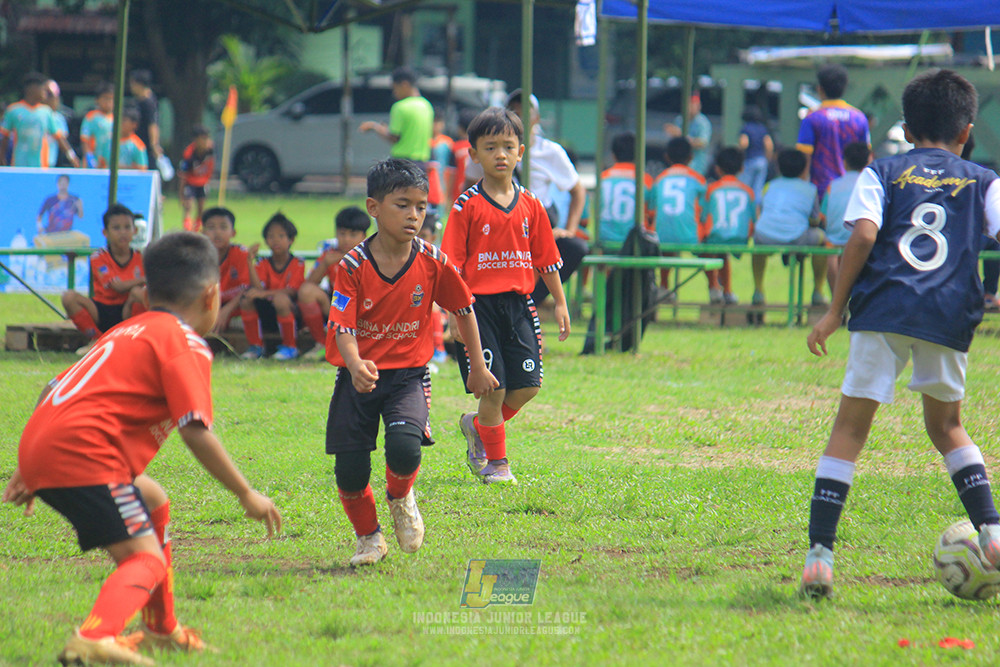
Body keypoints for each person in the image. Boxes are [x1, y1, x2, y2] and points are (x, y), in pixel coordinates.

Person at [3, 231, 282, 665]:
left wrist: (29, 465)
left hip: (46, 444)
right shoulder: (186, 342)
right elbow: (195, 430)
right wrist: (246, 493)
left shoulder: (125, 329)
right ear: (212, 295)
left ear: (147, 292)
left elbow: (52, 386)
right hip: (86, 455)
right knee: (145, 561)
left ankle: (161, 629)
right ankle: (96, 636)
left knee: (153, 499)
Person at [800, 69, 1000, 600]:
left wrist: (833, 310)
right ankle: (995, 532)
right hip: (948, 311)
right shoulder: (983, 179)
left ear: (907, 130)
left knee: (850, 429)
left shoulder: (881, 172)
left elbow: (863, 234)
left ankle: (820, 556)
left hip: (884, 308)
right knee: (948, 426)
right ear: (967, 130)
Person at [326, 158, 497, 566]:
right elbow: (341, 325)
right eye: (402, 205)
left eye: (421, 206)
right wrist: (354, 364)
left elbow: (464, 309)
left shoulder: (433, 261)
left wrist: (477, 365)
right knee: (350, 472)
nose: (414, 215)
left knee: (405, 451)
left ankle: (400, 497)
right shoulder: (351, 266)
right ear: (374, 208)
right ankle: (369, 538)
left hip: (408, 377)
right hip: (358, 378)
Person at [440, 107, 570, 484]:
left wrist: (559, 302)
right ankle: (497, 465)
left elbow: (547, 258)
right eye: (490, 146)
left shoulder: (531, 204)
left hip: (519, 306)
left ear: (521, 153)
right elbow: (452, 267)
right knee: (493, 388)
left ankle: (477, 426)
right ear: (474, 154)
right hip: (476, 308)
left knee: (528, 386)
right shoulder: (466, 206)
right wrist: (454, 315)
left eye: (508, 146)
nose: (500, 154)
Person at [504, 89, 589, 305]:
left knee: (574, 247)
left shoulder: (549, 151)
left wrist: (569, 229)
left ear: (536, 118)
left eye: (525, 112)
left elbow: (578, 190)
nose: (520, 118)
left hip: (538, 226)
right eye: (514, 111)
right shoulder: (494, 146)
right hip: (503, 226)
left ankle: (528, 302)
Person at [61, 203, 146, 353]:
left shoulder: (141, 257)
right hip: (101, 310)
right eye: (116, 228)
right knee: (69, 297)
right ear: (105, 232)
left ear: (135, 231)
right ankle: (96, 340)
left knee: (138, 294)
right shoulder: (99, 257)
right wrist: (143, 279)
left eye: (127, 227)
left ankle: (133, 340)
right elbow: (117, 287)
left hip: (128, 309)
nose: (123, 233)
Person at [751, 148, 824, 306]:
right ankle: (818, 291)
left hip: (764, 235)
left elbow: (764, 211)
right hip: (796, 236)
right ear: (804, 168)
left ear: (779, 167)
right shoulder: (810, 189)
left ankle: (758, 290)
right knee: (822, 239)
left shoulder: (769, 186)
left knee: (758, 241)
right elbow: (815, 220)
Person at [298, 206, 370, 354]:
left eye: (353, 234)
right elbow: (309, 284)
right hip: (337, 304)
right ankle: (322, 344)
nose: (346, 239)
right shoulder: (330, 255)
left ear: (364, 236)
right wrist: (325, 264)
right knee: (306, 292)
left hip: (364, 306)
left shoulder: (370, 256)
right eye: (342, 234)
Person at [796, 63, 870, 200]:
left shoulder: (812, 118)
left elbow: (804, 158)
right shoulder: (859, 118)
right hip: (852, 191)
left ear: (820, 89)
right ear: (845, 87)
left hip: (821, 191)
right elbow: (867, 158)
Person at [239, 213, 306, 361]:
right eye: (271, 236)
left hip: (290, 311)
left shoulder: (297, 263)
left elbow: (292, 291)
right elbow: (258, 289)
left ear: (291, 240)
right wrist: (250, 262)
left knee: (281, 299)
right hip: (268, 311)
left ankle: (290, 347)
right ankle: (255, 346)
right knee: (247, 300)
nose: (275, 240)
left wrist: (263, 294)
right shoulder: (263, 263)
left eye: (281, 236)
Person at [647, 137, 706, 294]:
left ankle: (664, 285)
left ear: (667, 157)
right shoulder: (698, 180)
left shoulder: (659, 180)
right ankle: (715, 287)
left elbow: (652, 212)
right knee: (711, 248)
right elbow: (703, 211)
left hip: (660, 237)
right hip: (692, 238)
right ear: (691, 157)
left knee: (666, 240)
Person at [702, 146, 756, 305]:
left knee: (711, 246)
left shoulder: (712, 189)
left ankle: (714, 286)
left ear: (717, 169)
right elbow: (753, 220)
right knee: (722, 251)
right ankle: (727, 291)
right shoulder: (747, 191)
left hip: (716, 237)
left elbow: (705, 218)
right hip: (741, 238)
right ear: (741, 168)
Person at [0, 72, 78, 168]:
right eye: (43, 89)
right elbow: (5, 137)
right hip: (19, 165)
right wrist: (2, 157)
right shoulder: (13, 110)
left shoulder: (46, 112)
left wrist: (71, 155)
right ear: (33, 89)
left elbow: (58, 137)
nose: (45, 93)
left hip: (41, 166)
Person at [821, 142, 871, 293]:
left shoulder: (833, 185)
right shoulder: (871, 184)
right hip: (863, 241)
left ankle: (836, 302)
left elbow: (823, 217)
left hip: (835, 241)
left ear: (844, 162)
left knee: (831, 249)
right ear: (869, 161)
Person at [358, 67, 433, 164]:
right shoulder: (426, 105)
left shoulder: (400, 107)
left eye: (395, 87)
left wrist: (374, 127)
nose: (394, 92)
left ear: (404, 85)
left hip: (403, 162)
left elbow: (394, 137)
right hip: (422, 163)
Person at [201, 207, 257, 336]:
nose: (217, 233)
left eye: (223, 227)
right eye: (211, 228)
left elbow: (247, 287)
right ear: (203, 232)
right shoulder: (198, 256)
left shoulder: (241, 253)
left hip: (235, 308)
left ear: (233, 232)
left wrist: (226, 311)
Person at [598, 132, 653, 245]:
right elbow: (651, 213)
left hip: (605, 240)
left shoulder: (602, 178)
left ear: (613, 155)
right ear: (638, 154)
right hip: (635, 242)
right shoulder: (645, 180)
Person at [179, 126, 215, 232]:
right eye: (203, 138)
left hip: (203, 182)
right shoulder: (189, 154)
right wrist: (181, 194)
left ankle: (197, 229)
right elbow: (183, 175)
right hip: (190, 182)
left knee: (201, 208)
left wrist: (208, 179)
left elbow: (211, 165)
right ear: (196, 140)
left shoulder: (210, 150)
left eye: (207, 138)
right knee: (188, 206)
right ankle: (187, 229)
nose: (206, 141)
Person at [666, 93, 712, 175]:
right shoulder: (680, 120)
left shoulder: (702, 123)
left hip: (697, 165)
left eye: (695, 104)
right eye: (690, 104)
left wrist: (682, 136)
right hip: (680, 165)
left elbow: (702, 143)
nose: (692, 107)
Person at [128, 69, 163, 168]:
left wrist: (154, 145)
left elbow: (153, 124)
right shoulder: (139, 101)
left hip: (146, 147)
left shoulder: (149, 102)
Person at [738, 106, 773, 201]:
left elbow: (744, 143)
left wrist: (740, 153)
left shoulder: (746, 128)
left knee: (745, 188)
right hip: (762, 160)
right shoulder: (762, 128)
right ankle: (757, 212)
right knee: (758, 189)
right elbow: (769, 144)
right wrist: (767, 159)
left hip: (749, 160)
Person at [80, 82, 115, 168]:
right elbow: (84, 140)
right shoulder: (91, 117)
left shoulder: (117, 118)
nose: (108, 102)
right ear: (97, 100)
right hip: (94, 162)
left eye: (111, 99)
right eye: (105, 98)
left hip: (109, 164)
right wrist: (89, 158)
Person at [426, 108, 454, 214]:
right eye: (434, 122)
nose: (436, 125)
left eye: (439, 122)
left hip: (443, 179)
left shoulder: (447, 143)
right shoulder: (425, 141)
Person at [450, 107, 479, 203]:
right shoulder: (479, 148)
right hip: (476, 193)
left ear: (460, 128)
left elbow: (451, 174)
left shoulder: (456, 147)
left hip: (459, 192)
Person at [42, 79, 71, 168]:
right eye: (47, 95)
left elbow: (62, 140)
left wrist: (71, 156)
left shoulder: (59, 119)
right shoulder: (32, 115)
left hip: (51, 164)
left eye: (52, 96)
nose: (50, 99)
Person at [118, 106, 149, 171]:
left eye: (124, 121)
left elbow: (142, 168)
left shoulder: (138, 145)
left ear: (134, 124)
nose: (120, 123)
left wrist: (123, 168)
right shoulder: (109, 140)